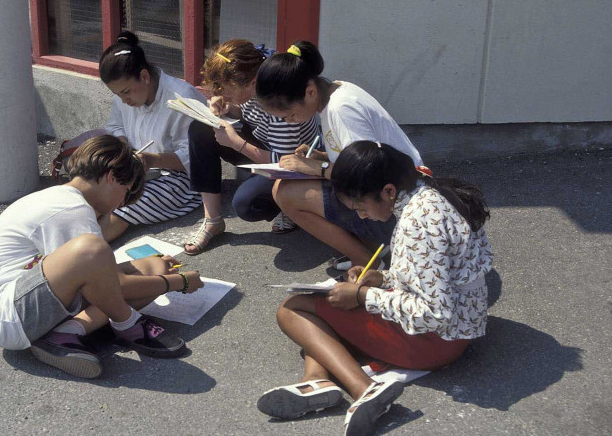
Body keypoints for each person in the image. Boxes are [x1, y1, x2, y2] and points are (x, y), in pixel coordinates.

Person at [257, 141, 493, 436]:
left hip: (438, 341)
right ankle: (315, 382)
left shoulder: (416, 223)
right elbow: (435, 270)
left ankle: (365, 389)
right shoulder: (432, 193)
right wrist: (380, 277)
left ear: (388, 191)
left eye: (361, 206)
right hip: (463, 327)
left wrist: (362, 297)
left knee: (294, 310)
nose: (364, 216)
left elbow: (434, 313)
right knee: (321, 335)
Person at [0, 135, 204, 379]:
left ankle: (66, 332)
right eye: (126, 192)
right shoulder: (70, 209)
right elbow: (116, 284)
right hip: (8, 317)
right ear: (112, 177)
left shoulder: (63, 198)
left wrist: (160, 274)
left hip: (24, 302)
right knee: (93, 249)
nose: (123, 203)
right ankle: (128, 324)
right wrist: (179, 282)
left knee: (152, 265)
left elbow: (101, 279)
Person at [255, 40, 425, 269]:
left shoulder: (341, 109)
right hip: (396, 197)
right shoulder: (336, 92)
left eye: (289, 115)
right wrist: (321, 157)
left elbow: (367, 177)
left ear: (310, 91)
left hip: (397, 210)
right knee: (282, 187)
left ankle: (368, 262)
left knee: (286, 193)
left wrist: (318, 168)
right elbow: (357, 154)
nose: (289, 121)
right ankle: (372, 247)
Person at [184, 39, 320, 255]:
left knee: (246, 204)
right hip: (268, 146)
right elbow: (251, 115)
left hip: (294, 164)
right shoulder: (253, 82)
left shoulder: (280, 100)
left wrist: (236, 143)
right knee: (200, 129)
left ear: (252, 83)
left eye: (227, 91)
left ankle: (288, 203)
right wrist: (228, 108)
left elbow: (284, 162)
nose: (223, 94)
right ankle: (213, 220)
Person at [99, 31, 204, 241]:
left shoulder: (182, 97)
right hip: (137, 169)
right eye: (117, 94)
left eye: (126, 92)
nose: (123, 99)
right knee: (95, 193)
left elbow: (198, 158)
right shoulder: (124, 95)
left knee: (126, 205)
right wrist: (122, 147)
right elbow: (115, 126)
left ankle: (81, 253)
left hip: (179, 179)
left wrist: (150, 160)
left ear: (145, 76)